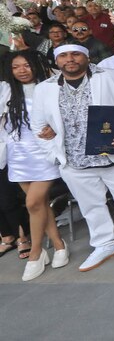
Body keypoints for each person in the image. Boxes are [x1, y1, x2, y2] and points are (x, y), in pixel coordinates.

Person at [30, 44, 114, 272]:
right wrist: (54, 153)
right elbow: (38, 127)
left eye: (75, 54)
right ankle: (105, 244)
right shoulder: (45, 88)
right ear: (56, 61)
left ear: (86, 56)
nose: (69, 59)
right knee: (91, 207)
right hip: (74, 162)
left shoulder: (110, 76)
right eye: (63, 55)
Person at [0, 50, 66, 281]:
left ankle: (36, 253)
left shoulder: (51, 86)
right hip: (18, 155)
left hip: (43, 153)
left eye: (26, 65)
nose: (22, 71)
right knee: (39, 205)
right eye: (16, 67)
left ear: (36, 65)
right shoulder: (6, 90)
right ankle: (58, 245)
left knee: (33, 203)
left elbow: (67, 113)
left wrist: (57, 128)